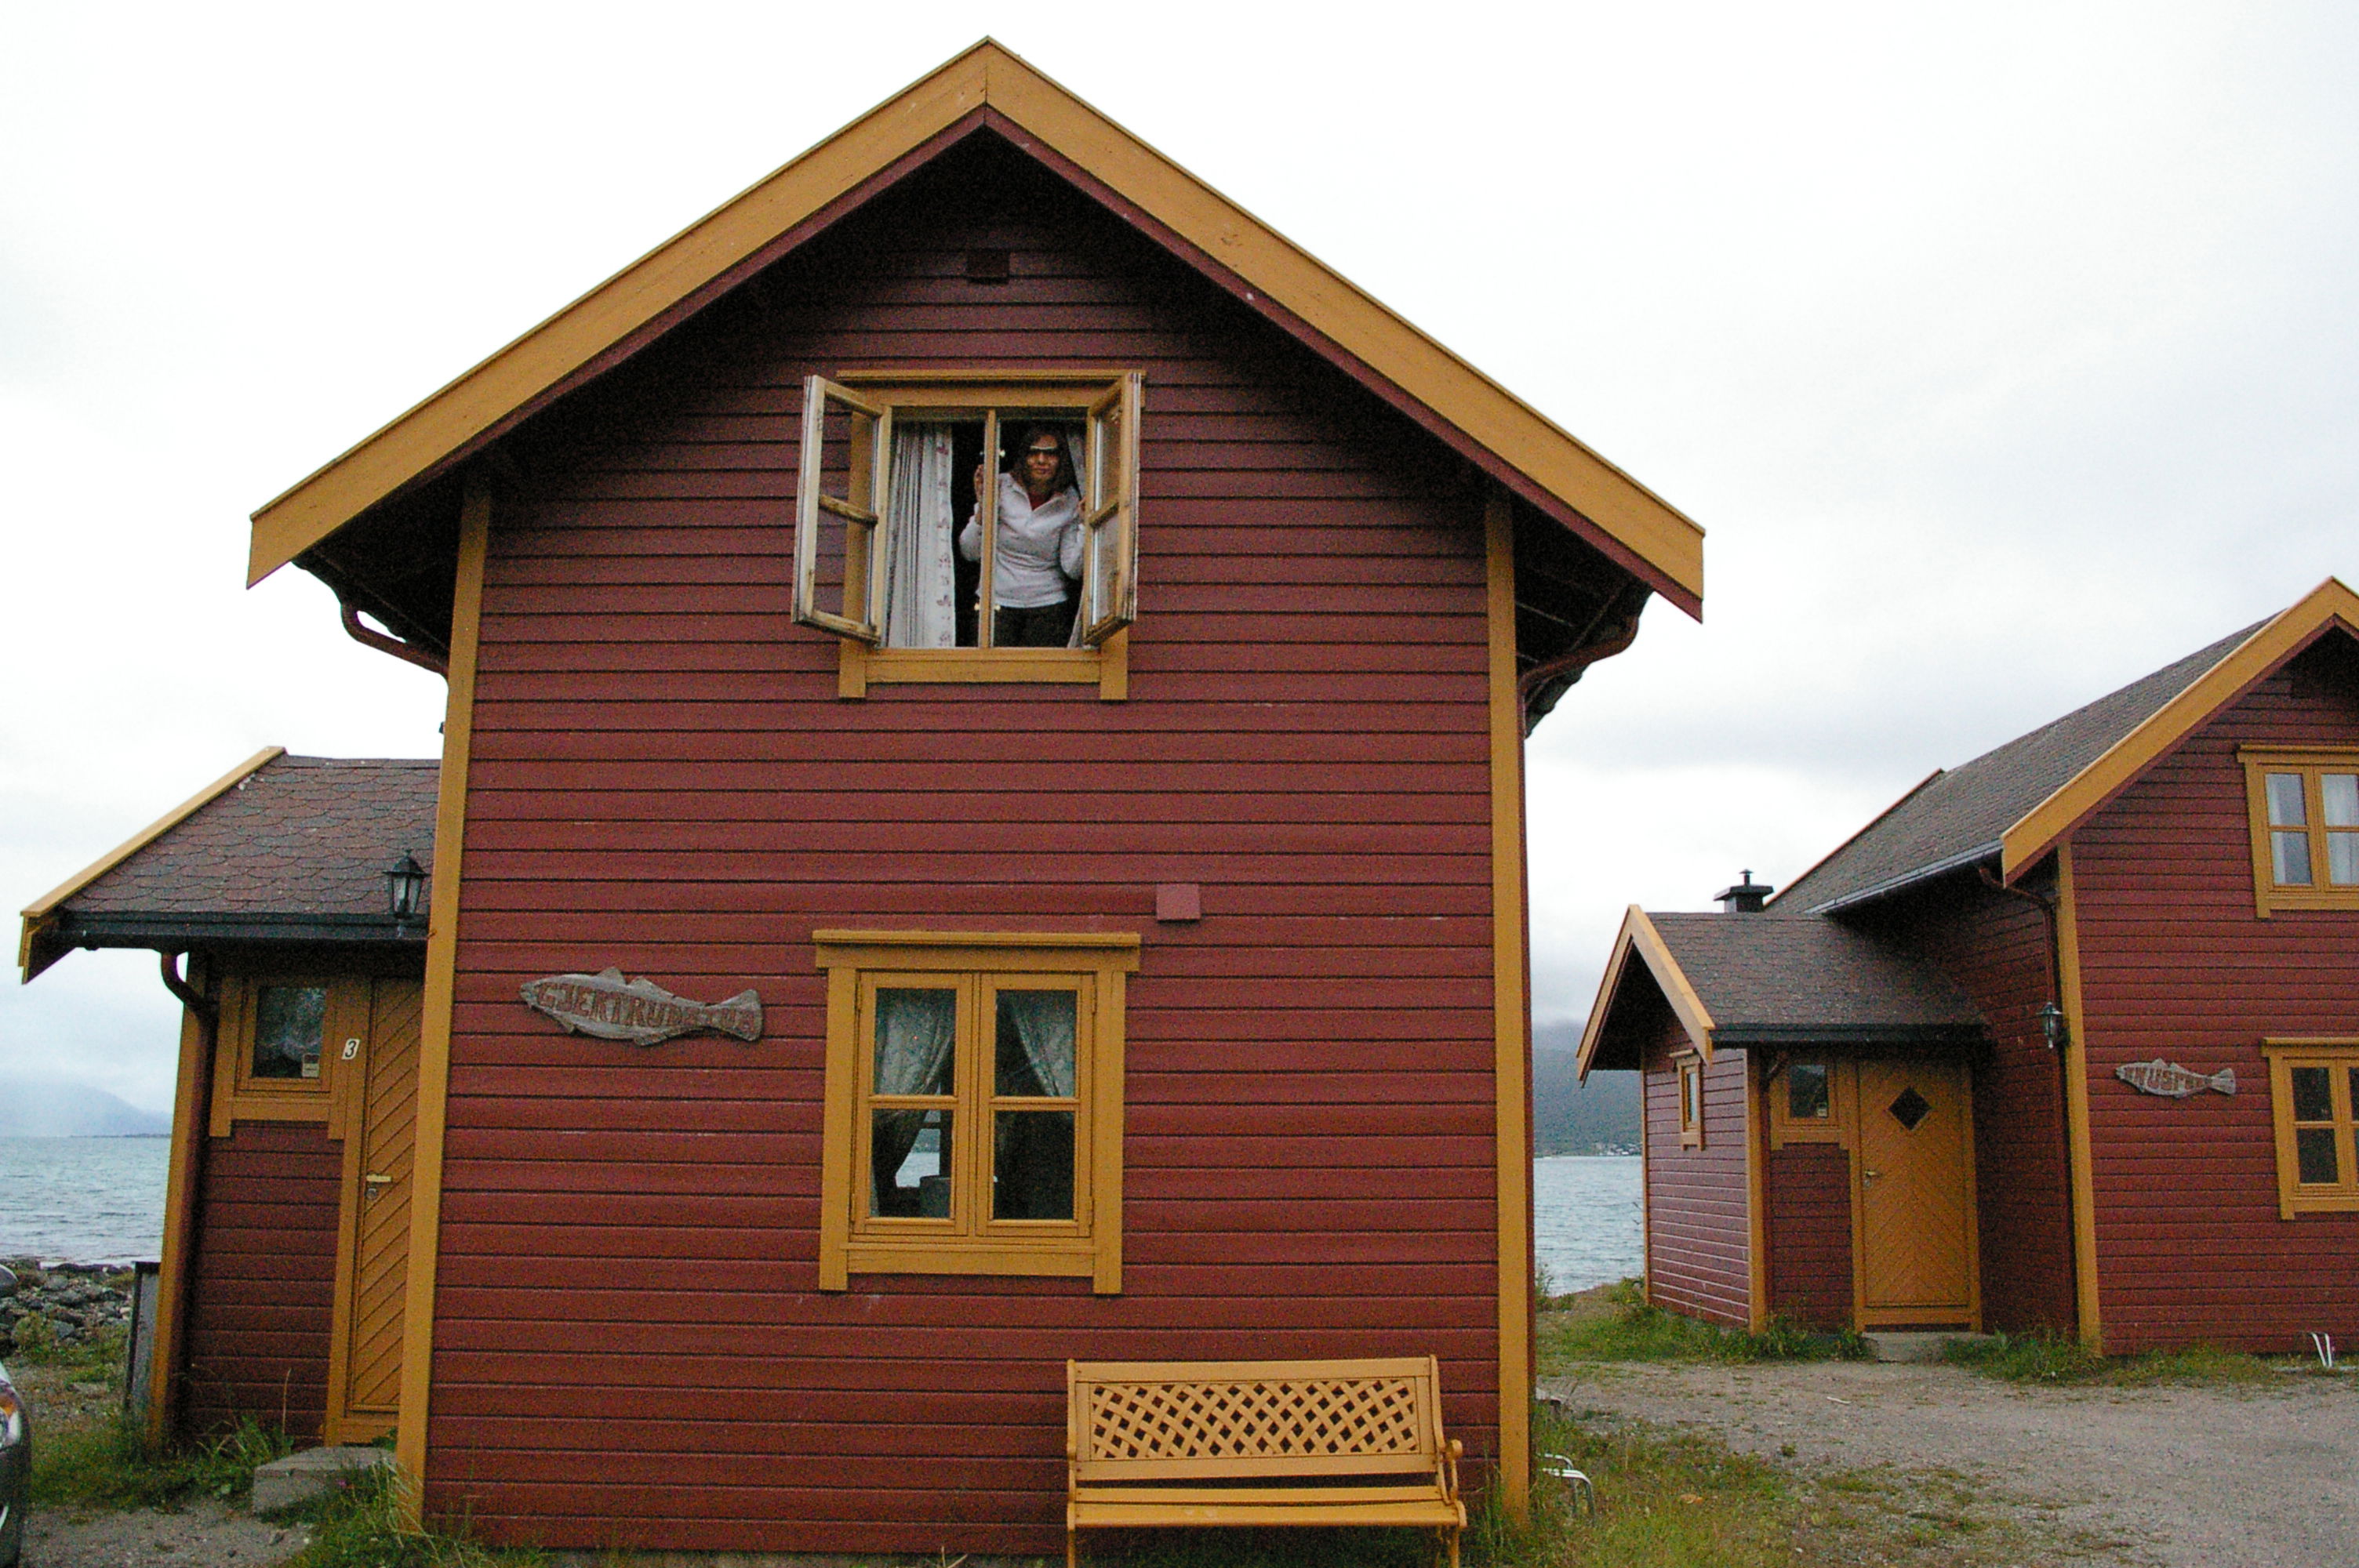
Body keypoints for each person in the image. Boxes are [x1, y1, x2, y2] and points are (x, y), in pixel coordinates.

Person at [961, 426, 1083, 647]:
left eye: (1050, 453)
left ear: (1061, 459)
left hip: (1049, 604)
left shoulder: (1070, 499)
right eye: (1034, 453)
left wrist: (1086, 524)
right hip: (997, 601)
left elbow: (1073, 568)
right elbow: (969, 552)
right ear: (1023, 457)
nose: (1041, 460)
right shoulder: (1001, 486)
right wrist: (983, 510)